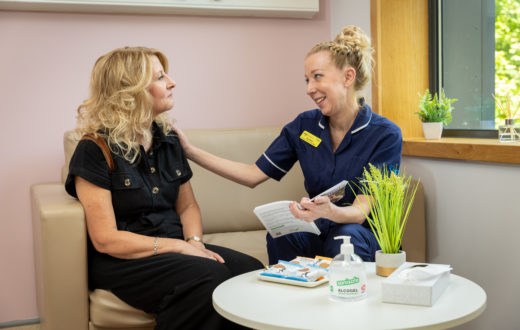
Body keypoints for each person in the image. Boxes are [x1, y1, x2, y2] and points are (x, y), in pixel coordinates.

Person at [65, 46, 263, 330]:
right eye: (160, 77)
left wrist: (194, 241)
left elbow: (187, 206)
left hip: (176, 249)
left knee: (251, 271)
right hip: (125, 260)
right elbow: (105, 240)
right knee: (208, 275)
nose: (172, 82)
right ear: (130, 91)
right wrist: (179, 247)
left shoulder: (168, 139)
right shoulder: (94, 149)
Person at [173, 26, 403, 265]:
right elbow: (252, 174)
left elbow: (359, 212)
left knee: (347, 236)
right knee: (282, 235)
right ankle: (288, 299)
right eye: (307, 79)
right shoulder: (304, 127)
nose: (309, 89)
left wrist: (329, 212)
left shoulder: (385, 135)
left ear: (348, 77)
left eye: (317, 76)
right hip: (321, 227)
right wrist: (190, 151)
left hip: (361, 233)